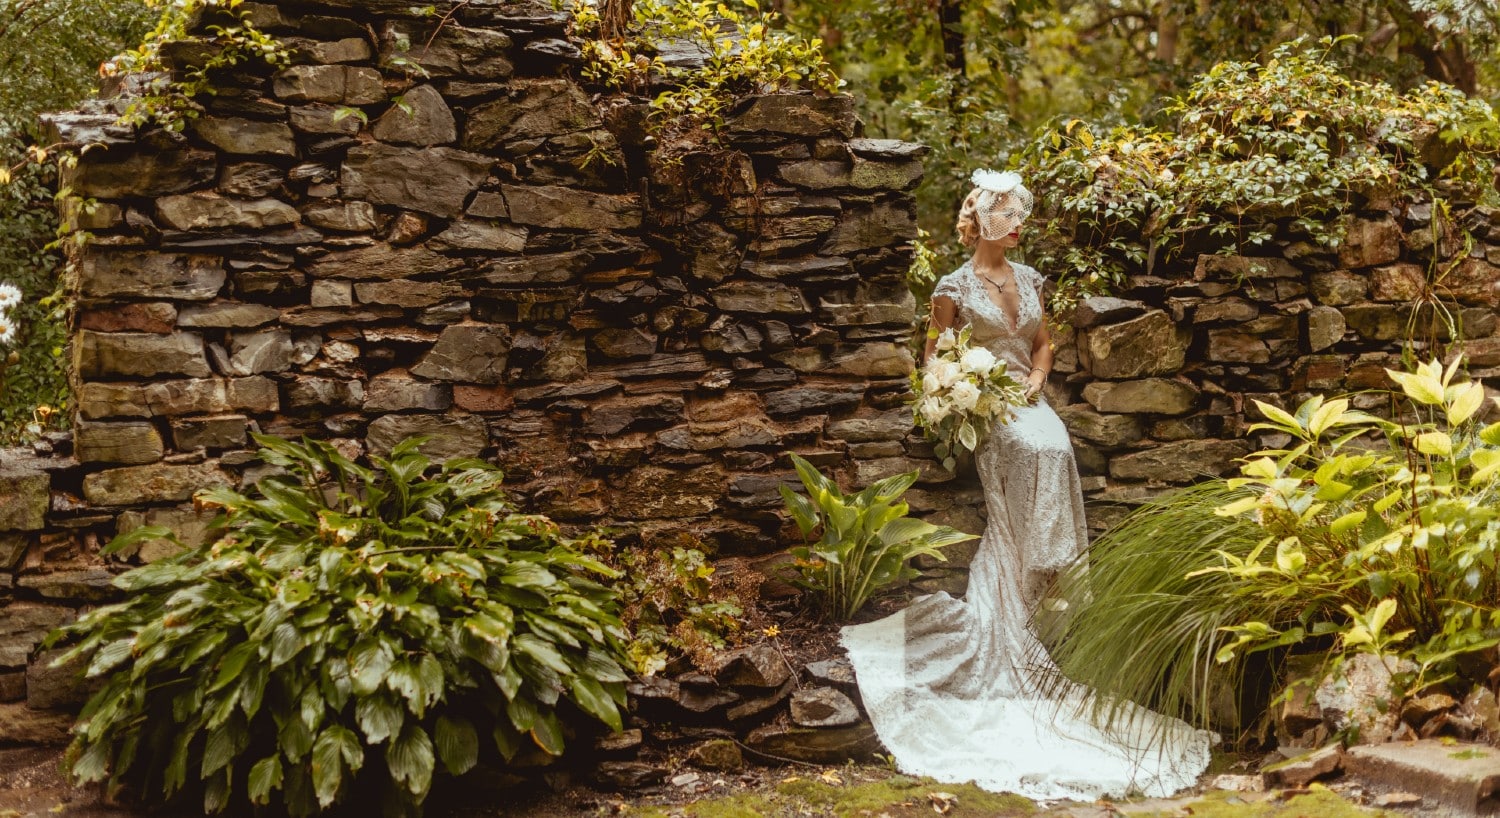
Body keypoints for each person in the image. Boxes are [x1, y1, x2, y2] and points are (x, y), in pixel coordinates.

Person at [839, 170, 1214, 801]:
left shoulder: (1032, 278)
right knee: (1036, 445)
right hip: (987, 410)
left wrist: (1039, 380)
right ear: (981, 220)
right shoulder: (951, 286)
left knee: (1055, 442)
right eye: (1006, 213)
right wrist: (965, 393)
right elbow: (935, 354)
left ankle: (1049, 567)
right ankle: (1038, 564)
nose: (1017, 222)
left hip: (1028, 398)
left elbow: (1041, 347)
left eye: (1019, 213)